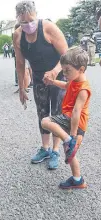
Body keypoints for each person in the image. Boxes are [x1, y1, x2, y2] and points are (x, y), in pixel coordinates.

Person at [13, 1, 68, 169]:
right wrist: (22, 88)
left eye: (31, 20)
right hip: (38, 79)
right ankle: (45, 148)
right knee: (42, 114)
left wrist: (54, 71)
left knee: (57, 113)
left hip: (57, 77)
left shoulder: (49, 28)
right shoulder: (17, 35)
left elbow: (66, 55)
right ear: (18, 20)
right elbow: (20, 64)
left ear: (36, 15)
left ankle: (56, 150)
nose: (28, 24)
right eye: (24, 22)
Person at [41, 47, 91, 189]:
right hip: (73, 122)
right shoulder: (75, 81)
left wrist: (72, 136)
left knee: (45, 121)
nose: (64, 73)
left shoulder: (83, 89)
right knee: (70, 155)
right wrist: (52, 82)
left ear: (81, 69)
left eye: (67, 70)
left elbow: (76, 112)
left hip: (75, 123)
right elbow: (66, 85)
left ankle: (68, 141)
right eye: (63, 70)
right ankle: (78, 180)